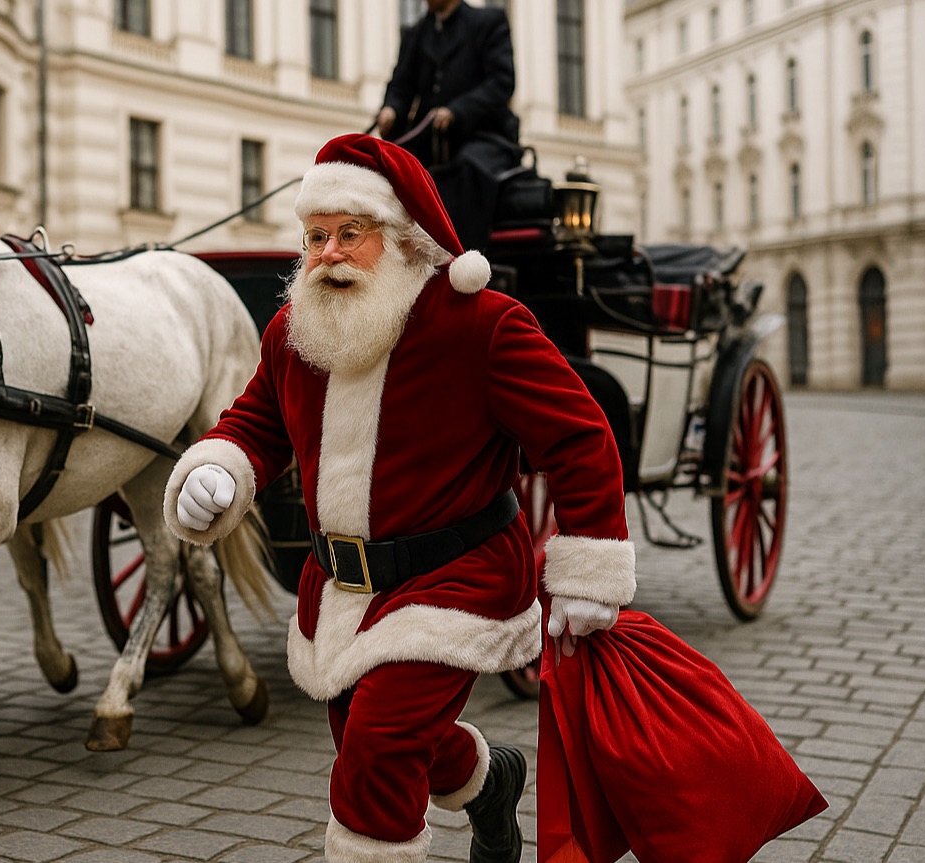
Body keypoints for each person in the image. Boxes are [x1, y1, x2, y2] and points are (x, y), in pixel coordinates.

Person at [162, 134, 637, 863]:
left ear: (405, 238)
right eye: (315, 235)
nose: (327, 253)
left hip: (458, 574)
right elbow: (257, 422)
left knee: (377, 753)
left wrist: (587, 570)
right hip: (342, 587)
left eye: (351, 233)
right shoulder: (294, 331)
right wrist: (218, 468)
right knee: (379, 732)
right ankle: (488, 783)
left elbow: (579, 437)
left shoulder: (482, 324)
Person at [376, 0, 521, 253]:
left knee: (466, 169)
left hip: (484, 138)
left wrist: (457, 110)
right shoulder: (417, 33)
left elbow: (501, 82)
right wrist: (390, 110)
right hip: (431, 143)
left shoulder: (489, 23)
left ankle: (463, 261)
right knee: (392, 170)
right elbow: (401, 84)